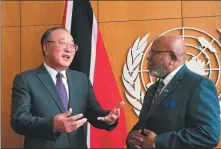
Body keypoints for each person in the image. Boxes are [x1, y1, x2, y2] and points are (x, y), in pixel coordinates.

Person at [10, 27, 124, 148]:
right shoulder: (25, 80)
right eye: (63, 43)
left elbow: (92, 112)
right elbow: (19, 120)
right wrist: (53, 125)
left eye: (72, 45)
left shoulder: (81, 79)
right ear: (46, 48)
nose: (69, 49)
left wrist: (108, 118)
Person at [126, 35, 220, 149]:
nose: (148, 58)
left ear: (172, 58)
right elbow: (145, 125)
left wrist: (157, 142)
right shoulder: (152, 89)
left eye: (153, 53)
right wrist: (132, 138)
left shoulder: (199, 85)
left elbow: (208, 135)